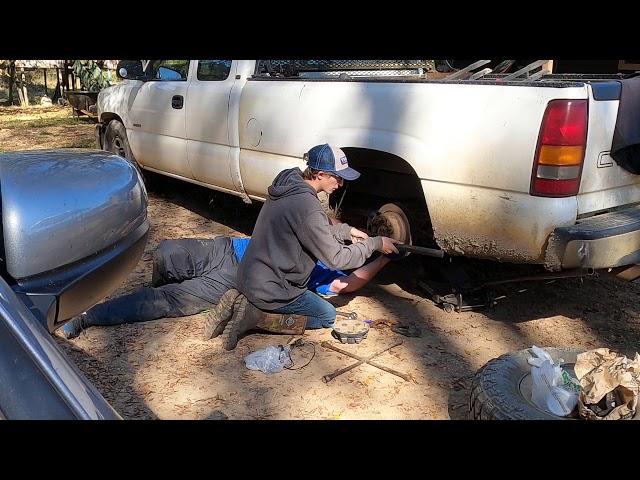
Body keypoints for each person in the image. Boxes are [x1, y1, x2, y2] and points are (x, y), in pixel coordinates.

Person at [61, 234, 392, 340]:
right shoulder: (318, 228)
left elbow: (348, 285)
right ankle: (169, 283)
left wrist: (382, 260)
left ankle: (90, 317)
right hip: (225, 249)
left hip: (237, 280)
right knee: (167, 252)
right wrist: (365, 236)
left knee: (164, 302)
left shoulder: (329, 271)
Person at [232, 143, 399, 346]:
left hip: (248, 276)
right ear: (320, 174)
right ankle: (257, 317)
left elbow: (309, 228)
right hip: (271, 288)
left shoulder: (289, 184)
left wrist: (346, 231)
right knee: (326, 315)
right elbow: (336, 258)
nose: (341, 184)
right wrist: (375, 243)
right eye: (337, 177)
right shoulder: (307, 206)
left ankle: (250, 303)